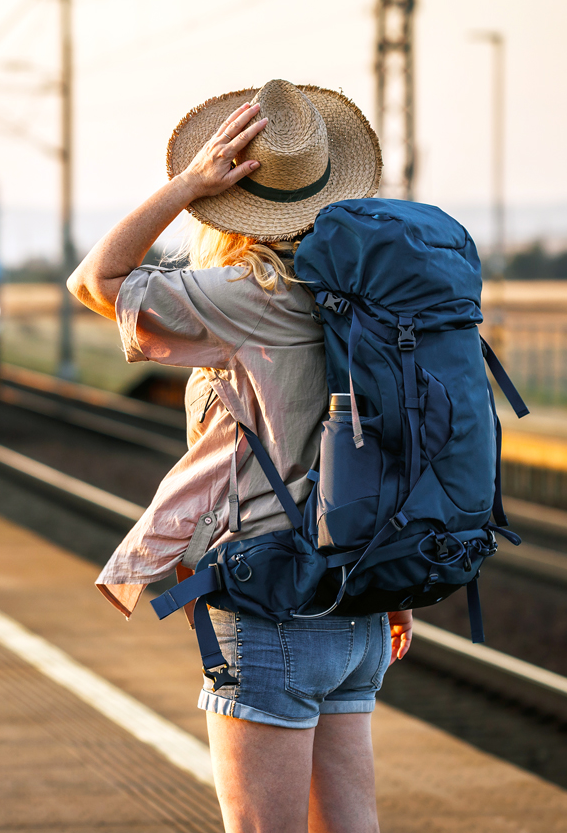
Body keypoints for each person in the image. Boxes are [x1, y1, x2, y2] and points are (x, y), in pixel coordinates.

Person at [67, 79, 414, 833]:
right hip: (363, 605)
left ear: (233, 197)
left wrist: (183, 187)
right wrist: (397, 587)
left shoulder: (251, 293)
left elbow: (95, 282)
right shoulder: (376, 297)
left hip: (273, 602)